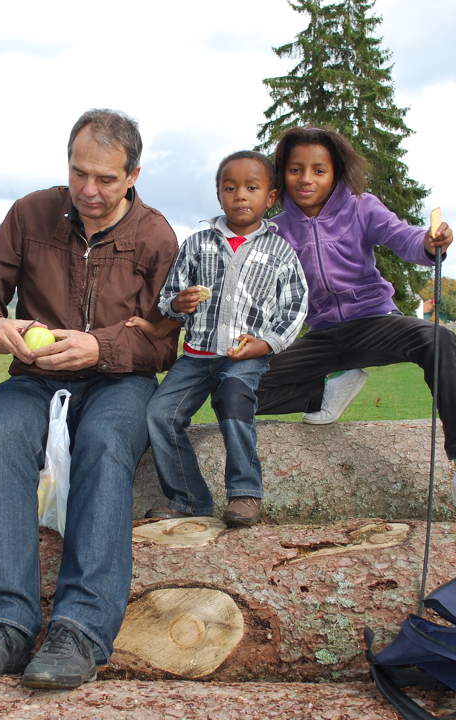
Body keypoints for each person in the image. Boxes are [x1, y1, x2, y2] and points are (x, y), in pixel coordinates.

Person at [0, 109, 178, 689]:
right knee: (0, 435)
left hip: (120, 381)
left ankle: (80, 629)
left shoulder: (155, 236)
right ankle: (2, 624)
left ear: (133, 175)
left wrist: (98, 348)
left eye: (104, 179)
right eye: (79, 174)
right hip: (35, 374)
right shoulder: (31, 213)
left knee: (104, 442)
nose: (89, 191)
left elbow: (166, 339)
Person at [255, 126, 456, 525]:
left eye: (318, 170)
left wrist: (430, 244)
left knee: (437, 339)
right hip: (323, 334)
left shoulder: (362, 207)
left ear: (336, 173)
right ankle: (325, 392)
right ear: (282, 174)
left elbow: (405, 238)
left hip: (374, 321)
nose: (306, 179)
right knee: (240, 385)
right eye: (295, 170)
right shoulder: (276, 230)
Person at [131, 151, 307, 528]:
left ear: (270, 196)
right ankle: (189, 499)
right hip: (196, 356)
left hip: (245, 355)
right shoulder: (198, 244)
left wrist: (267, 344)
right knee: (159, 413)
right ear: (218, 194)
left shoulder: (280, 252)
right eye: (230, 188)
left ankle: (245, 492)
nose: (240, 196)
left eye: (252, 188)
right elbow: (169, 297)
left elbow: (294, 309)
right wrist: (178, 302)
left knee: (233, 396)